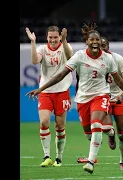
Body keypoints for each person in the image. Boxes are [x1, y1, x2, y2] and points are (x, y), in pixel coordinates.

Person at [26, 22, 123, 174]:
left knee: (98, 126)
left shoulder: (110, 59)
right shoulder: (79, 56)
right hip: (83, 99)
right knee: (89, 133)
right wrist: (41, 89)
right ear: (87, 42)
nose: (95, 43)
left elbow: (121, 81)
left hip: (102, 95)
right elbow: (61, 74)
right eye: (92, 40)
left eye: (98, 41)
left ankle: (91, 162)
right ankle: (108, 136)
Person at [77, 37, 123, 170]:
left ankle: (122, 161)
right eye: (99, 45)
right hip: (103, 97)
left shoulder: (117, 59)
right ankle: (110, 135)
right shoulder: (91, 61)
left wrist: (122, 95)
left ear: (108, 46)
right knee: (106, 128)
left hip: (119, 98)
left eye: (104, 45)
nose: (102, 48)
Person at [25, 26, 73, 167]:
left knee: (60, 125)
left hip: (62, 91)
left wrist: (63, 41)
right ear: (47, 37)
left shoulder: (66, 46)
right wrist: (33, 42)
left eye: (55, 37)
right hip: (45, 92)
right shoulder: (42, 49)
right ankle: (46, 156)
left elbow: (70, 58)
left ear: (59, 37)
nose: (53, 40)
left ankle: (59, 158)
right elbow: (35, 61)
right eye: (50, 37)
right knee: (44, 122)